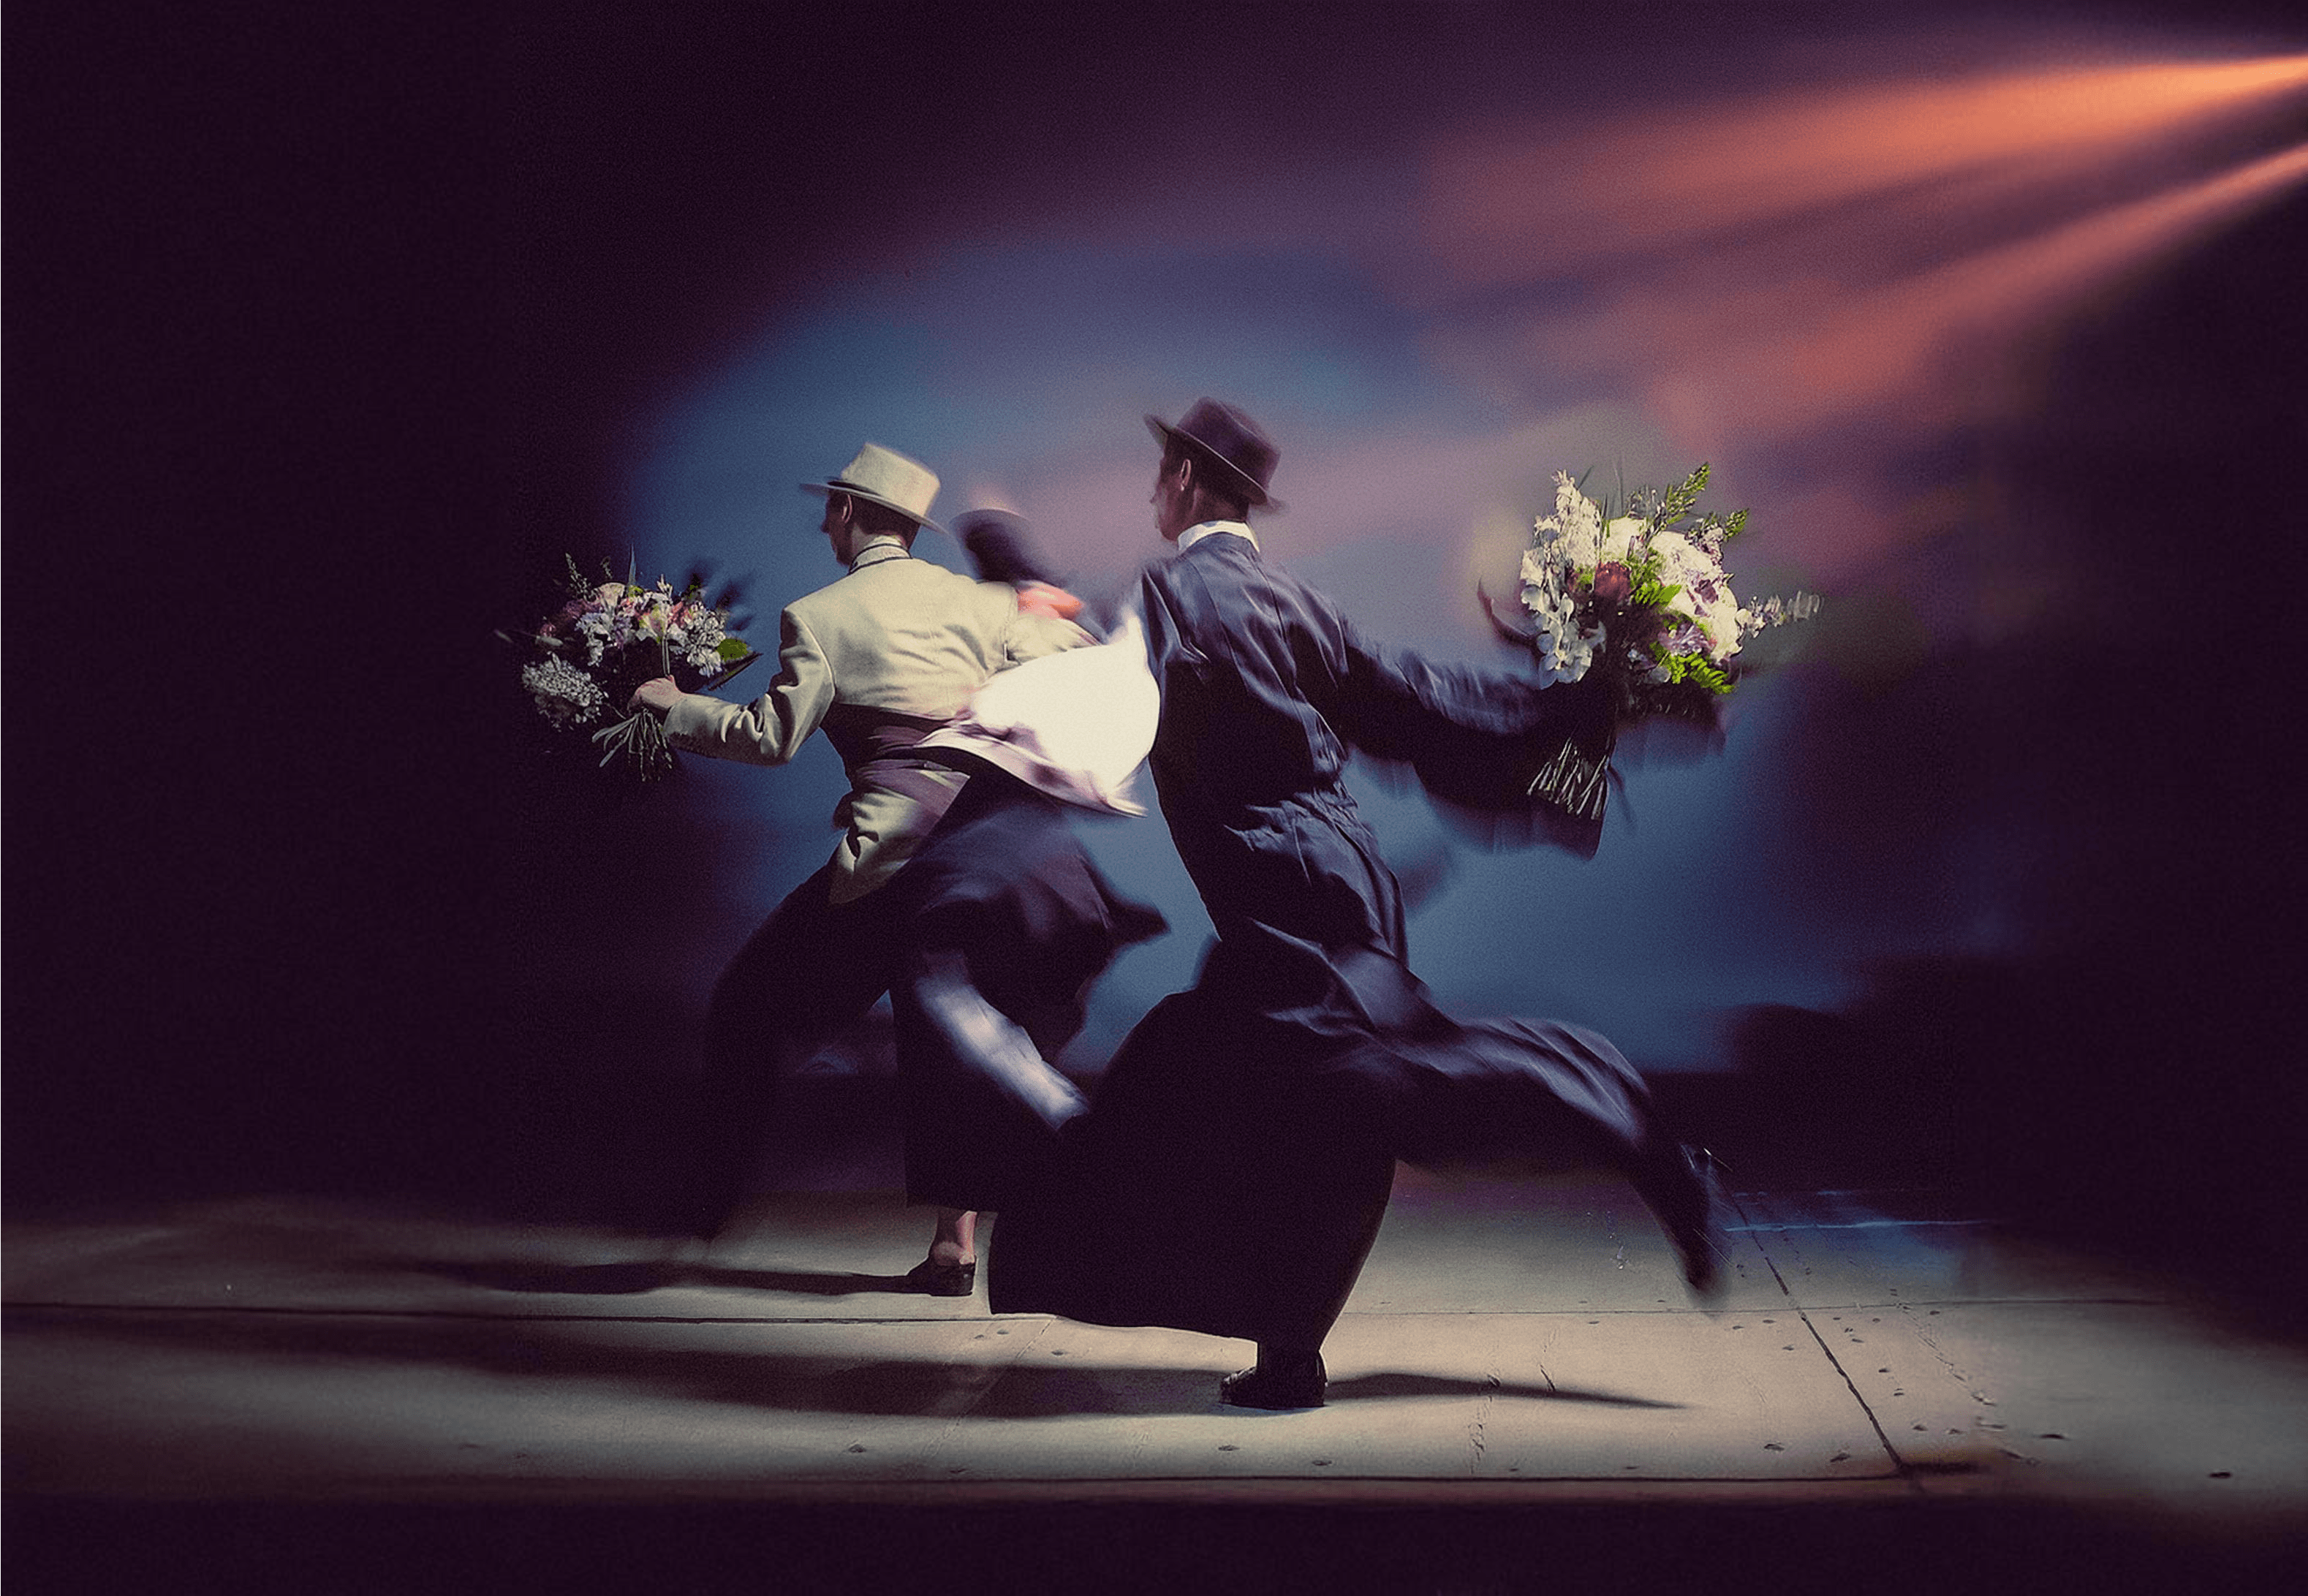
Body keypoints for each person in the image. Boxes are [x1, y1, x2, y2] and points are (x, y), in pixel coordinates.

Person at [988, 400, 1728, 1406]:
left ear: (1191, 484)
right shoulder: (1296, 600)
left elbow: (1104, 698)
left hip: (1285, 896)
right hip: (1332, 880)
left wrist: (1008, 685)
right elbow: (1420, 701)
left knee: (1373, 1086)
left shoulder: (1172, 593)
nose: (1151, 491)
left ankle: (1650, 1150)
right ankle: (1288, 1349)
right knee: (1282, 1092)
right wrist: (1569, 708)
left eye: (1160, 474)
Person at [627, 443, 1159, 1294]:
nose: (824, 522)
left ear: (845, 512)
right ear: (911, 527)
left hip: (897, 861)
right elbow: (1076, 654)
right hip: (991, 858)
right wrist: (1020, 580)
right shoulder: (987, 604)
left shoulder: (819, 614)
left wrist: (670, 707)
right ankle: (956, 1244)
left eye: (829, 508)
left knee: (747, 1007)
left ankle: (700, 1201)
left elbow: (769, 737)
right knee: (953, 1028)